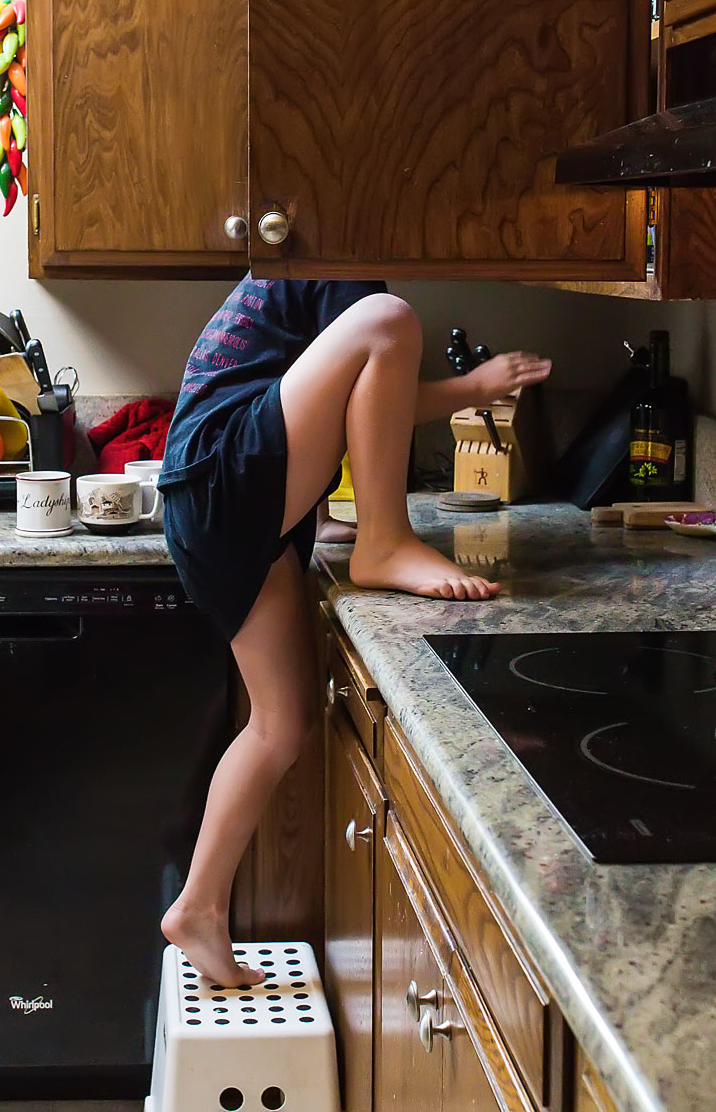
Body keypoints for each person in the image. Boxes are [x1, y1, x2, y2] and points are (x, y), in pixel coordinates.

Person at [156, 278, 550, 985]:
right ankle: (386, 539)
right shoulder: (336, 252)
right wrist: (474, 384)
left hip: (213, 501)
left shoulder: (316, 256)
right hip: (224, 479)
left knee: (283, 723)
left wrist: (467, 385)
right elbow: (381, 351)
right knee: (389, 318)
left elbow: (375, 397)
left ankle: (198, 905)